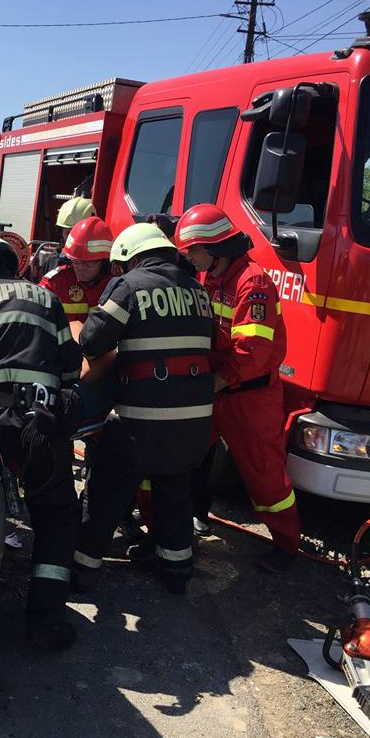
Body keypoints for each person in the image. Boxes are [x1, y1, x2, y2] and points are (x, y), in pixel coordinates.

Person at [0, 234, 82, 650]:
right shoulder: (45, 298)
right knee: (57, 514)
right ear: (13, 263)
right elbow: (70, 367)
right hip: (37, 422)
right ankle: (45, 622)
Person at [74, 223, 214, 595]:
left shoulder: (130, 286)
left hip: (141, 419)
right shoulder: (198, 291)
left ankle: (83, 569)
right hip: (195, 423)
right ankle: (176, 570)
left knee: (105, 489)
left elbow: (91, 340)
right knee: (174, 491)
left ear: (130, 257)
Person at [174, 203, 301, 572]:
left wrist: (211, 384)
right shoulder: (213, 279)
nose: (189, 257)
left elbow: (252, 353)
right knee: (189, 456)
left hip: (250, 395)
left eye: (193, 250)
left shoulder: (253, 284)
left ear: (214, 250)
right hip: (218, 389)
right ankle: (191, 519)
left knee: (264, 475)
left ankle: (287, 546)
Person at [40, 216, 114, 323]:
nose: (80, 268)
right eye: (76, 261)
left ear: (104, 262)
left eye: (88, 263)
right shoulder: (55, 283)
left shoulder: (116, 286)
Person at [32, 195, 97, 279]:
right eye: (68, 232)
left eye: (77, 233)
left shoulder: (100, 266)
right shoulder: (53, 260)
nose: (72, 239)